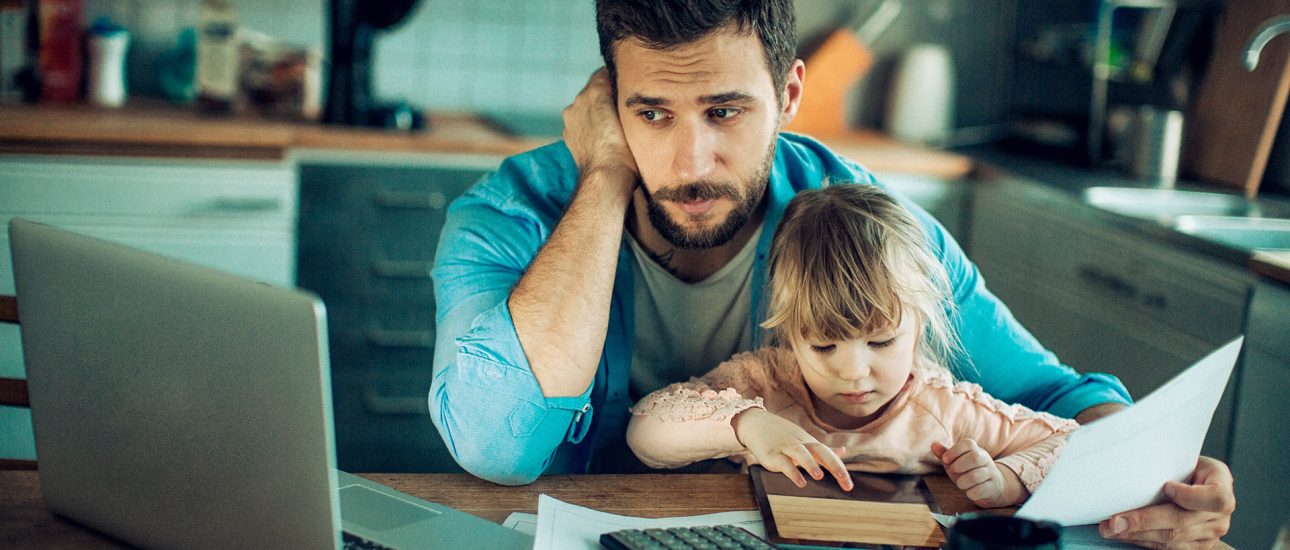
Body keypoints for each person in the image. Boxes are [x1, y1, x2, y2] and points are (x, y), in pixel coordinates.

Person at [428, 0, 1234, 546]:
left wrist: (1149, 478)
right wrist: (603, 178)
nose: (689, 161)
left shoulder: (856, 221)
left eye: (725, 111)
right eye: (652, 113)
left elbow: (1056, 397)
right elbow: (498, 446)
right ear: (607, 103)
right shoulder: (513, 214)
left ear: (788, 94)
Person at [627, 185, 1078, 509]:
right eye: (824, 346)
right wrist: (747, 425)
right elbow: (645, 433)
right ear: (790, 332)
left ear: (919, 325)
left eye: (880, 341)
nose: (854, 372)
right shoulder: (765, 382)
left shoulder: (945, 409)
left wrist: (1007, 480)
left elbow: (1073, 443)